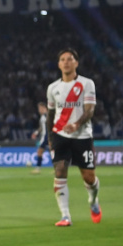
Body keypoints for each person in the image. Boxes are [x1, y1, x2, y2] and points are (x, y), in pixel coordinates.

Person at [46, 48, 101, 226]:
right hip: (59, 135)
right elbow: (50, 114)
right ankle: (65, 216)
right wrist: (50, 138)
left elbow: (90, 110)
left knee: (88, 177)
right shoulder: (53, 88)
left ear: (76, 63)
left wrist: (76, 124)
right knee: (60, 171)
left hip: (82, 136)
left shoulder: (86, 84)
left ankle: (93, 201)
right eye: (63, 59)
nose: (66, 62)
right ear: (59, 64)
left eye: (70, 59)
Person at [30, 102, 49, 174]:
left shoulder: (46, 115)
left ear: (43, 107)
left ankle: (38, 168)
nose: (39, 110)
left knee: (40, 151)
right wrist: (36, 133)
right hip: (46, 136)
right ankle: (56, 168)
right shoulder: (43, 116)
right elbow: (41, 127)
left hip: (46, 136)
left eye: (39, 108)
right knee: (52, 151)